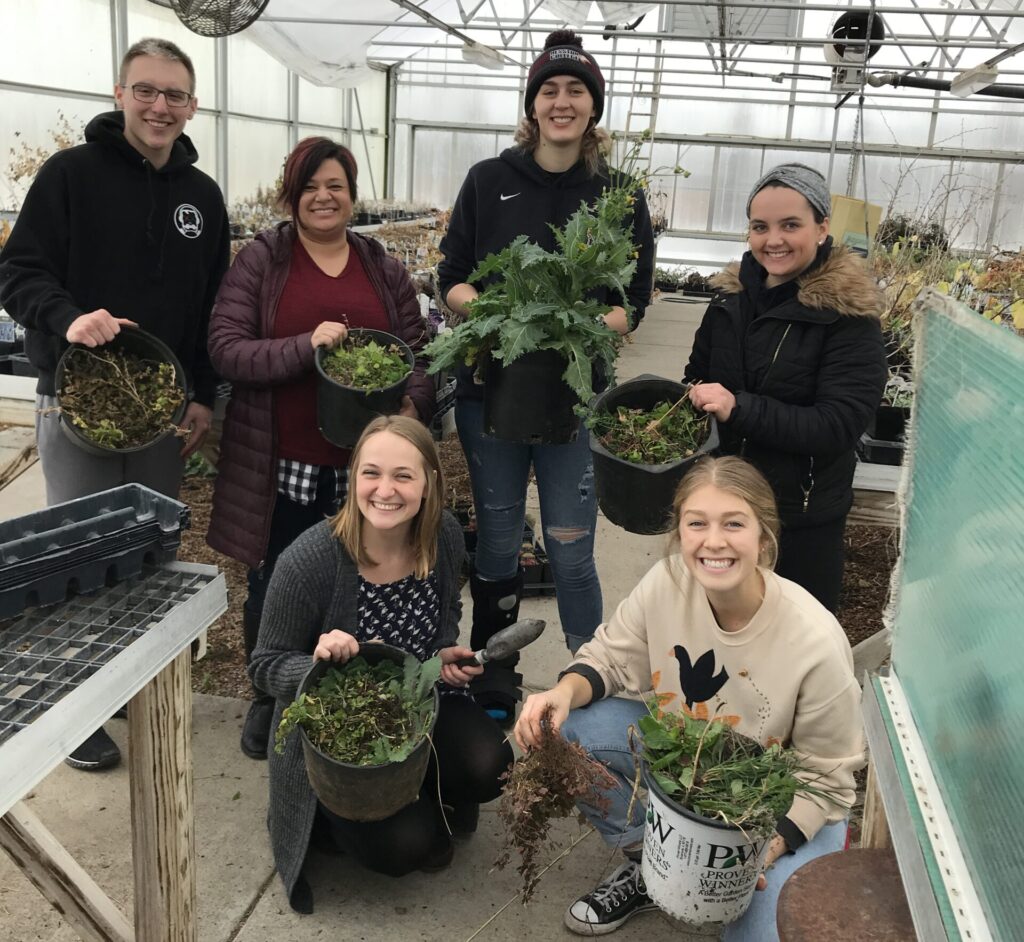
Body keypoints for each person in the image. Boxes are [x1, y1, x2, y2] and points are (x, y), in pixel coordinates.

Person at [515, 456, 863, 940]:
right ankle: (650, 864)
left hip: (775, 802)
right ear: (679, 533)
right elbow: (611, 659)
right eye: (696, 523)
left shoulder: (814, 641)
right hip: (688, 765)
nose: (713, 541)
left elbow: (828, 777)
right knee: (568, 729)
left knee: (763, 932)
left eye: (734, 524)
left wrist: (765, 846)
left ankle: (720, 869)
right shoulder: (667, 584)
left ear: (764, 537)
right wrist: (561, 691)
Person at [0, 37, 229, 771]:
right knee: (79, 553)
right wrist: (67, 317)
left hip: (160, 411)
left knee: (145, 552)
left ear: (192, 105)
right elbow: (19, 270)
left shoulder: (203, 197)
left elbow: (208, 307)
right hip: (79, 402)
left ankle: (128, 684)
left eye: (175, 94)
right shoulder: (71, 176)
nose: (160, 106)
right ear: (120, 94)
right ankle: (77, 708)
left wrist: (202, 395)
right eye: (146, 90)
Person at [437, 29, 655, 724]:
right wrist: (505, 321)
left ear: (594, 108)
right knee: (498, 535)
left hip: (574, 399)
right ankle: (493, 678)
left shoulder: (620, 195)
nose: (562, 102)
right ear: (532, 106)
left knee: (570, 544)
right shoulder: (488, 181)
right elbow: (452, 280)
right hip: (490, 392)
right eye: (549, 90)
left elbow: (632, 301)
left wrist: (573, 328)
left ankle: (584, 686)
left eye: (576, 90)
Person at [205, 136, 436, 760]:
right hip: (284, 461)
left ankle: (337, 692)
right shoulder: (263, 261)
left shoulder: (380, 266)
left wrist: (413, 403)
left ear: (352, 194)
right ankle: (269, 697)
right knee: (276, 581)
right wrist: (306, 344)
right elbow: (226, 348)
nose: (323, 197)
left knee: (354, 583)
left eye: (335, 185)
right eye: (309, 186)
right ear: (291, 194)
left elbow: (414, 349)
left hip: (366, 472)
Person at [249, 415, 512, 913]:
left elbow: (446, 616)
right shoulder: (311, 561)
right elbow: (263, 665)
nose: (385, 490)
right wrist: (315, 665)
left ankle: (420, 787)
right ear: (352, 478)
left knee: (491, 766)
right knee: (407, 849)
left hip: (418, 703)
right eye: (371, 473)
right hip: (341, 733)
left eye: (403, 476)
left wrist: (442, 658)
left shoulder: (444, 536)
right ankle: (331, 819)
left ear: (429, 482)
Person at [684, 163, 886, 611]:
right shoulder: (729, 300)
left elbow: (839, 424)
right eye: (760, 227)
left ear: (822, 228)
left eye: (790, 225)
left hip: (800, 519)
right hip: (726, 511)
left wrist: (739, 409)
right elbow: (697, 375)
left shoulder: (848, 317)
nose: (772, 240)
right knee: (714, 648)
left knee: (794, 652)